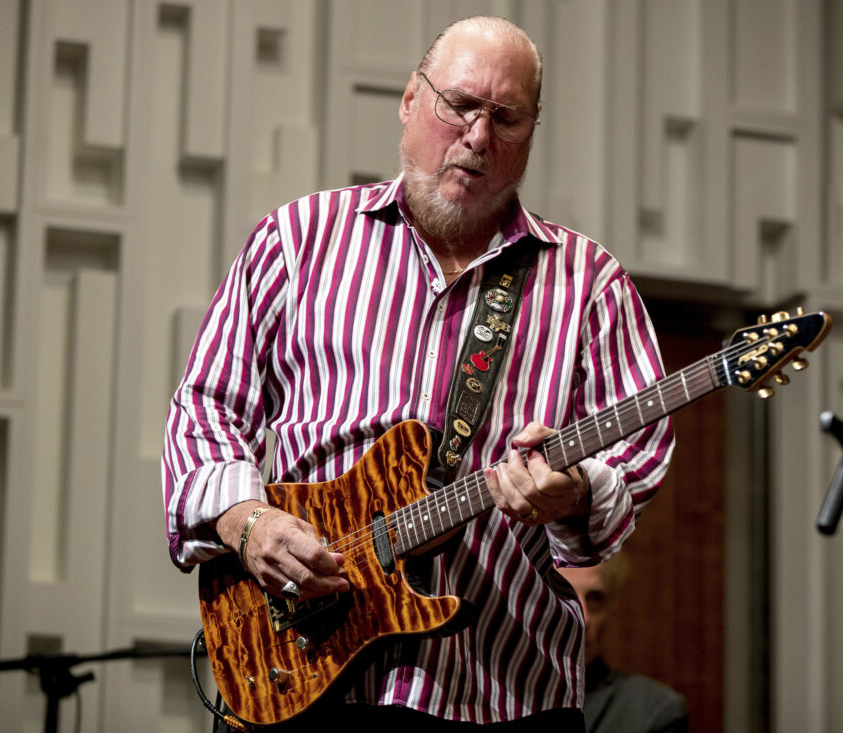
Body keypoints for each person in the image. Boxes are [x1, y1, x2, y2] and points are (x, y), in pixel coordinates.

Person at [162, 15, 674, 731]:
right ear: (410, 100)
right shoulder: (301, 238)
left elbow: (640, 449)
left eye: (507, 117)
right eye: (459, 105)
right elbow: (206, 408)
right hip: (297, 674)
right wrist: (248, 523)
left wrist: (577, 490)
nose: (477, 136)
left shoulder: (589, 283)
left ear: (531, 131)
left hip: (499, 691)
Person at [558, 558, 689, 733]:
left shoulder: (653, 711)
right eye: (561, 594)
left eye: (595, 598)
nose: (583, 618)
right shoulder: (510, 703)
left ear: (610, 609)